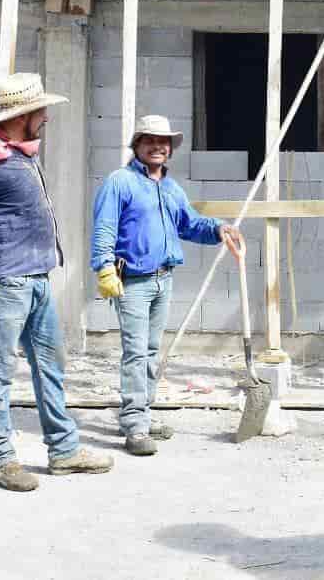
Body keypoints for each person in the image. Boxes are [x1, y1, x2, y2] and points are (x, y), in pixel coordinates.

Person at [0, 73, 114, 491]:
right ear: (22, 115)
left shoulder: (21, 154)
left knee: (51, 365)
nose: (46, 117)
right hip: (8, 279)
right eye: (41, 111)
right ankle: (0, 458)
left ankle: (63, 450)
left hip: (38, 278)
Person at [90, 115, 245, 456]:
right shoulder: (119, 182)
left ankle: (140, 414)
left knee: (150, 352)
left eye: (164, 142)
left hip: (163, 279)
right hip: (131, 281)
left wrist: (219, 228)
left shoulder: (170, 188)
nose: (158, 146)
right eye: (150, 140)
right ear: (137, 145)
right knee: (135, 353)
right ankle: (135, 425)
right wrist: (103, 267)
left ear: (170, 149)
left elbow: (189, 225)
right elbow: (104, 228)